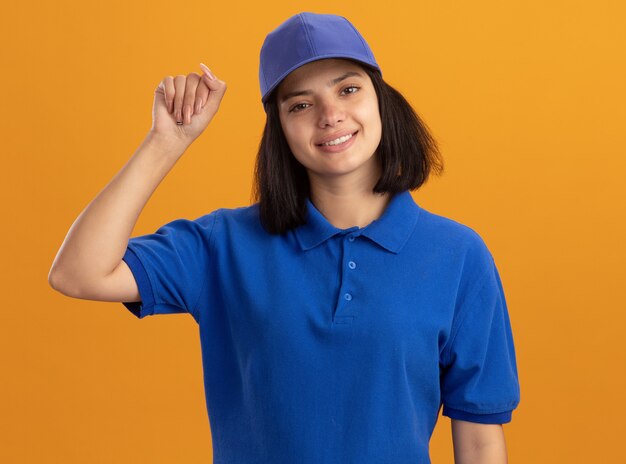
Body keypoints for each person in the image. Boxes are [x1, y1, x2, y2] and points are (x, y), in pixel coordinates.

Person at [49, 11, 520, 464]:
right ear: (280, 130)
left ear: (382, 100)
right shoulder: (223, 245)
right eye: (301, 104)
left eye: (348, 89)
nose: (330, 115)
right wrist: (165, 142)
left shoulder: (458, 256)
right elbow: (78, 273)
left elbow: (479, 439)